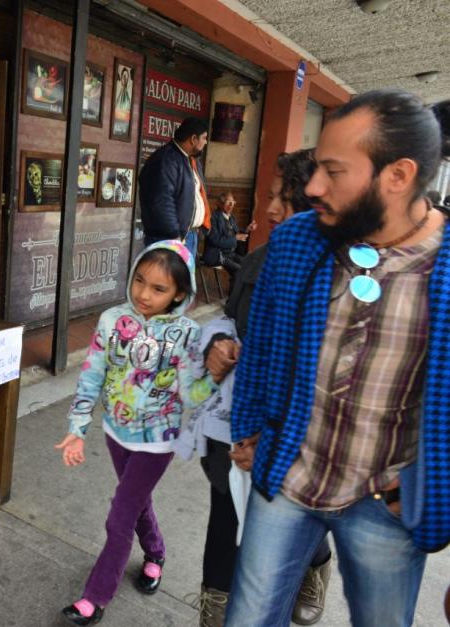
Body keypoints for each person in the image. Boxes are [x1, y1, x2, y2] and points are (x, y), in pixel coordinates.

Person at [226, 89, 450, 626]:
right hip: (287, 479)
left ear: (397, 176)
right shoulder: (299, 239)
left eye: (333, 171)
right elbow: (263, 343)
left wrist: (433, 484)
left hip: (385, 505)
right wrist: (251, 430)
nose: (313, 187)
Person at [177, 150, 332, 627]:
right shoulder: (259, 259)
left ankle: (316, 563)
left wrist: (275, 433)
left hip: (295, 437)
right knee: (224, 508)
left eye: (278, 198)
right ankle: (215, 606)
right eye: (268, 197)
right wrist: (218, 344)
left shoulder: (344, 274)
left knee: (289, 523)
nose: (267, 210)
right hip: (233, 421)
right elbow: (228, 318)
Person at [54, 240, 222, 626]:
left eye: (158, 288)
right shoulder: (112, 319)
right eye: (140, 281)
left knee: (120, 516)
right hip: (116, 433)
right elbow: (93, 375)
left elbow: (191, 392)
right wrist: (77, 428)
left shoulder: (188, 334)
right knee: (137, 501)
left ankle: (95, 597)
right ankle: (156, 552)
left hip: (158, 441)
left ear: (180, 292)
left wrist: (213, 377)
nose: (144, 294)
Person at [139, 117, 212, 254]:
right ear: (193, 139)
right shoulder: (166, 160)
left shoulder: (188, 160)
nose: (206, 142)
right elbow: (162, 202)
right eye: (204, 138)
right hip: (169, 239)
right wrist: (174, 236)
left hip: (187, 237)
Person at [200, 192, 256, 275]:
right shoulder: (214, 218)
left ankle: (239, 287)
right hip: (217, 254)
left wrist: (247, 230)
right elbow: (215, 240)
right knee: (239, 271)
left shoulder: (231, 218)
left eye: (233, 202)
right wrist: (235, 238)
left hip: (230, 254)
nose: (231, 205)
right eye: (228, 202)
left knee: (250, 265)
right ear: (220, 203)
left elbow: (235, 234)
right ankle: (236, 288)